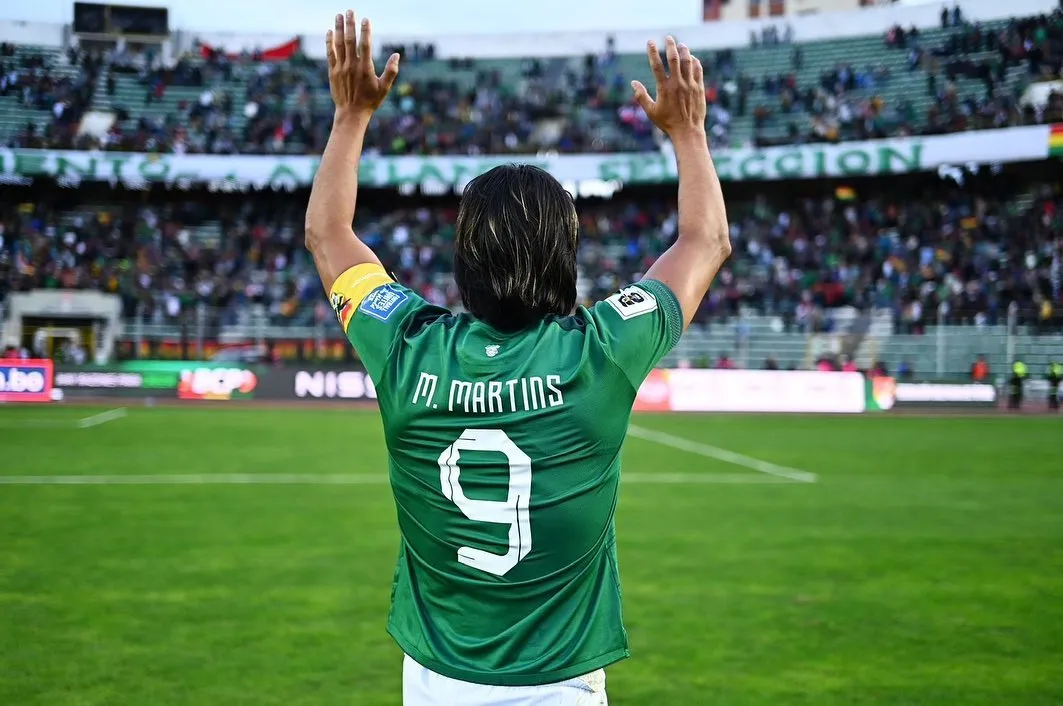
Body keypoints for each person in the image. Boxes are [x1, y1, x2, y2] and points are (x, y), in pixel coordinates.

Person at [304, 11, 730, 706]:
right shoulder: (601, 352)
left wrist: (351, 114)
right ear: (564, 258)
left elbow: (327, 233)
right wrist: (687, 132)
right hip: (559, 685)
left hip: (435, 682)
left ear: (463, 260)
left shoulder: (406, 344)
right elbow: (704, 241)